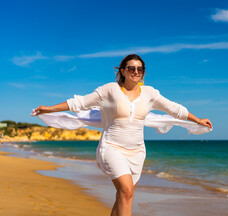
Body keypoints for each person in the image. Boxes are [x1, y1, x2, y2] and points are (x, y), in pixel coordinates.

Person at [33, 54, 213, 216]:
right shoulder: (109, 90)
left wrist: (197, 120)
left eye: (139, 69)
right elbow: (79, 102)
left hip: (137, 152)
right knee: (126, 192)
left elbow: (175, 109)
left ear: (143, 72)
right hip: (112, 148)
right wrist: (49, 108)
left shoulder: (150, 93)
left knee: (124, 196)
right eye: (131, 68)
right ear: (123, 71)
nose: (136, 72)